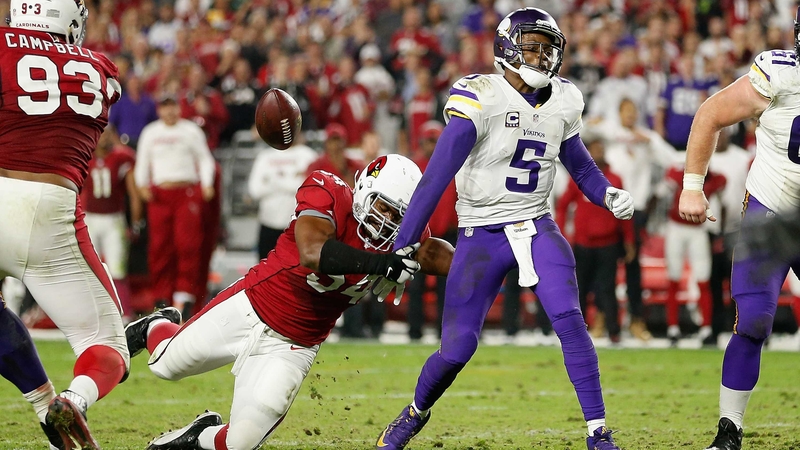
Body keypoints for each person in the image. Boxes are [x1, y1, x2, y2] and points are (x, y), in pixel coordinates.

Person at [374, 8, 632, 450]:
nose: (543, 55)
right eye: (532, 45)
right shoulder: (481, 97)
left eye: (549, 47)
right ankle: (413, 414)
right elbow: (436, 177)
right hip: (480, 235)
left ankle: (598, 433)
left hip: (536, 224)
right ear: (507, 47)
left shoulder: (564, 99)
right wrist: (403, 243)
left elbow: (580, 165)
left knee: (570, 319)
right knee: (456, 350)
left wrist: (606, 193)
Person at [126, 155, 454, 450]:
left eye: (398, 215)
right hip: (253, 306)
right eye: (383, 207)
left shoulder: (404, 237)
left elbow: (444, 256)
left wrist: (495, 264)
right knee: (165, 366)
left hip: (296, 345)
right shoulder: (329, 191)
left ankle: (197, 436)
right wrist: (383, 264)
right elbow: (313, 253)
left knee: (240, 442)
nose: (387, 221)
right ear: (365, 189)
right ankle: (156, 325)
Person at [0, 1, 131, 448]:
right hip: (50, 208)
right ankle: (73, 398)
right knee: (109, 347)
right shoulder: (102, 70)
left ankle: (42, 403)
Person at [677, 8, 800, 450]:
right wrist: (693, 186)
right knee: (752, 321)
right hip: (771, 211)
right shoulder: (780, 74)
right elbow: (710, 113)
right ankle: (729, 430)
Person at [135, 94, 217, 320]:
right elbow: (142, 162)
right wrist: (142, 185)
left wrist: (207, 183)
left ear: (179, 109)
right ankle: (162, 298)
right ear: (159, 110)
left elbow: (205, 159)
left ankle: (185, 298)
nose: (169, 112)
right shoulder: (151, 132)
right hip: (160, 195)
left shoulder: (190, 131)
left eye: (173, 107)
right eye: (165, 107)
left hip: (186, 193)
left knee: (187, 246)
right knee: (160, 248)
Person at [556, 136, 635, 344]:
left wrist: (628, 241)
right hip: (582, 244)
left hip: (608, 243)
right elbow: (563, 206)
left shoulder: (615, 179)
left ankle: (614, 332)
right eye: (594, 149)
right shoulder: (578, 179)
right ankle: (577, 333)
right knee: (579, 289)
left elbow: (624, 213)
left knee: (607, 288)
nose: (598, 152)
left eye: (601, 148)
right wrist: (561, 235)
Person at [81, 126, 143, 324]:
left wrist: (135, 222)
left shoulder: (122, 158)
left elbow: (134, 193)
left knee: (117, 269)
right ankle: (91, 314)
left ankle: (124, 314)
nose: (105, 138)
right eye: (102, 133)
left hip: (113, 220)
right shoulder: (84, 155)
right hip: (89, 218)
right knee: (88, 270)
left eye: (109, 133)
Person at [662, 165, 726, 345]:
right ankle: (672, 327)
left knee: (704, 280)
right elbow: (665, 189)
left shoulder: (716, 179)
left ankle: (706, 327)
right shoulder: (677, 174)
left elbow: (723, 200)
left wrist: (719, 231)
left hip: (699, 229)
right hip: (676, 227)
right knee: (673, 278)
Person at [247, 138, 317, 260]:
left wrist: (272, 180)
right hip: (268, 223)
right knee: (265, 273)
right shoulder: (265, 156)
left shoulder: (308, 155)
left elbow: (311, 188)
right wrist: (292, 180)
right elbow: (255, 190)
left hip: (297, 227)